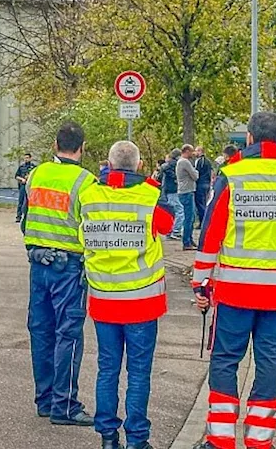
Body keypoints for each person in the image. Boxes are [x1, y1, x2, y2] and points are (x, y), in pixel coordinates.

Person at [193, 112, 276, 449]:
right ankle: (260, 440)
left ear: (250, 138)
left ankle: (221, 440)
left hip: (235, 291)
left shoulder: (233, 175)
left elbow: (211, 234)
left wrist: (201, 282)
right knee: (269, 364)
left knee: (225, 360)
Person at [79, 141, 176, 449]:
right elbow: (168, 223)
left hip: (104, 297)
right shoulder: (150, 195)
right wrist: (149, 183)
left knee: (107, 368)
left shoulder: (89, 195)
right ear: (139, 165)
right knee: (138, 373)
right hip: (141, 300)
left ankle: (108, 437)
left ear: (107, 163)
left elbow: (81, 235)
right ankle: (137, 440)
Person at [21, 121, 96, 426]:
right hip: (69, 268)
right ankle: (64, 405)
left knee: (41, 332)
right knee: (69, 334)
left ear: (55, 144)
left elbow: (27, 216)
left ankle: (45, 399)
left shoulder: (36, 174)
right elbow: (90, 226)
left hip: (38, 264)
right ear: (83, 147)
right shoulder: (86, 182)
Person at [176, 145, 200, 249]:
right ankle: (186, 242)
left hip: (185, 191)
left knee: (191, 216)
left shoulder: (180, 162)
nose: (193, 153)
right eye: (191, 151)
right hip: (187, 191)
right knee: (189, 218)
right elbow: (195, 176)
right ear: (186, 151)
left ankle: (189, 239)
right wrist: (196, 171)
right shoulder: (185, 162)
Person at [162, 149, 182, 238]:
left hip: (168, 189)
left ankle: (170, 231)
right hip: (173, 189)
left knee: (172, 211)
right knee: (179, 210)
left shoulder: (168, 165)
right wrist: (176, 178)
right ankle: (175, 231)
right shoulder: (175, 164)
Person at [15, 153, 37, 223]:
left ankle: (28, 216)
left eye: (27, 158)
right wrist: (22, 179)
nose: (26, 159)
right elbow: (16, 176)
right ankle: (18, 216)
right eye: (25, 158)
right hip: (23, 186)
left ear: (30, 158)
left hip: (31, 186)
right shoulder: (21, 167)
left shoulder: (34, 167)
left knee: (29, 202)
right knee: (21, 201)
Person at [194, 146, 213, 219]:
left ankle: (203, 220)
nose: (195, 153)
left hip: (201, 184)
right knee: (204, 202)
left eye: (196, 151)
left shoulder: (200, 161)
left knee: (200, 203)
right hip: (207, 183)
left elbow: (197, 172)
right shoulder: (207, 161)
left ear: (200, 151)